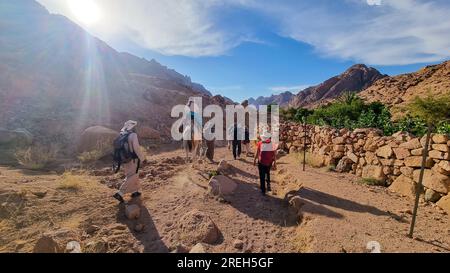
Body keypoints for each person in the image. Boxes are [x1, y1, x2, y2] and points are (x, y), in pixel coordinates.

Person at [113, 120, 145, 203]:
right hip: (133, 159)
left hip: (124, 159)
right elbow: (136, 149)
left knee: (131, 175)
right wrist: (143, 159)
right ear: (132, 127)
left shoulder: (122, 134)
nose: (136, 128)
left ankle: (135, 192)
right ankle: (120, 193)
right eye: (135, 127)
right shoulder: (133, 135)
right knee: (133, 176)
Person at [254, 131, 277, 196]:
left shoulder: (260, 143)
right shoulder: (273, 144)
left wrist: (254, 159)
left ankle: (263, 190)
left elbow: (257, 153)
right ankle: (268, 185)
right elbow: (274, 155)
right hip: (269, 162)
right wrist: (275, 163)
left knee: (262, 175)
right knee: (267, 172)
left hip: (261, 162)